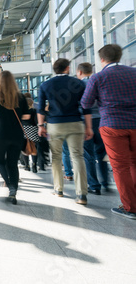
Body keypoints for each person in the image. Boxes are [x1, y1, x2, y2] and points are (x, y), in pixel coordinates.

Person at [81, 44, 136, 219]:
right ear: (120, 56)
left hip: (112, 125)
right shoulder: (134, 73)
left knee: (120, 167)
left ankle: (130, 207)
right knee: (134, 163)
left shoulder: (98, 77)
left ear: (102, 59)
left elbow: (86, 103)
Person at [38, 58, 92, 205]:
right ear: (67, 68)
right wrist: (88, 127)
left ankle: (58, 189)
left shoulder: (45, 85)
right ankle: (81, 195)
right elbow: (86, 107)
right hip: (75, 123)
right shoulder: (79, 83)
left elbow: (41, 108)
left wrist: (40, 125)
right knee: (77, 156)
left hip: (55, 125)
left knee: (56, 156)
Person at [0, 71, 31, 204]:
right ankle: (13, 193)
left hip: (1, 134)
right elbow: (26, 116)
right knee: (13, 164)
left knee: (0, 161)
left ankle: (10, 185)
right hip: (17, 134)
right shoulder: (20, 97)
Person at [76, 62, 109, 195]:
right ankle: (106, 182)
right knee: (101, 153)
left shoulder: (79, 85)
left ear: (79, 72)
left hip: (85, 122)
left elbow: (82, 105)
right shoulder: (99, 81)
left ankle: (94, 185)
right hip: (101, 120)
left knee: (88, 154)